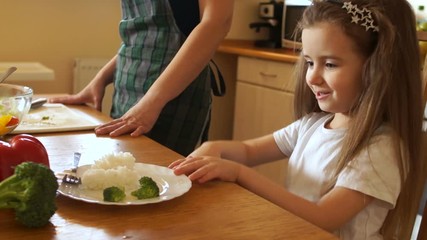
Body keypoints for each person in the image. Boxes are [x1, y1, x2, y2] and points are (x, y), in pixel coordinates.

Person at [169, 0, 425, 239]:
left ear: (377, 69)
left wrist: (238, 174)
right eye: (310, 62)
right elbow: (247, 151)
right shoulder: (311, 126)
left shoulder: (380, 148)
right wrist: (215, 150)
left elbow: (322, 218)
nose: (312, 77)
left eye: (331, 64)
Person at [49, 0, 233, 156]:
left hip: (171, 100)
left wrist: (152, 102)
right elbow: (143, 35)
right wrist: (100, 79)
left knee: (157, 184)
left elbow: (217, 23)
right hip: (127, 90)